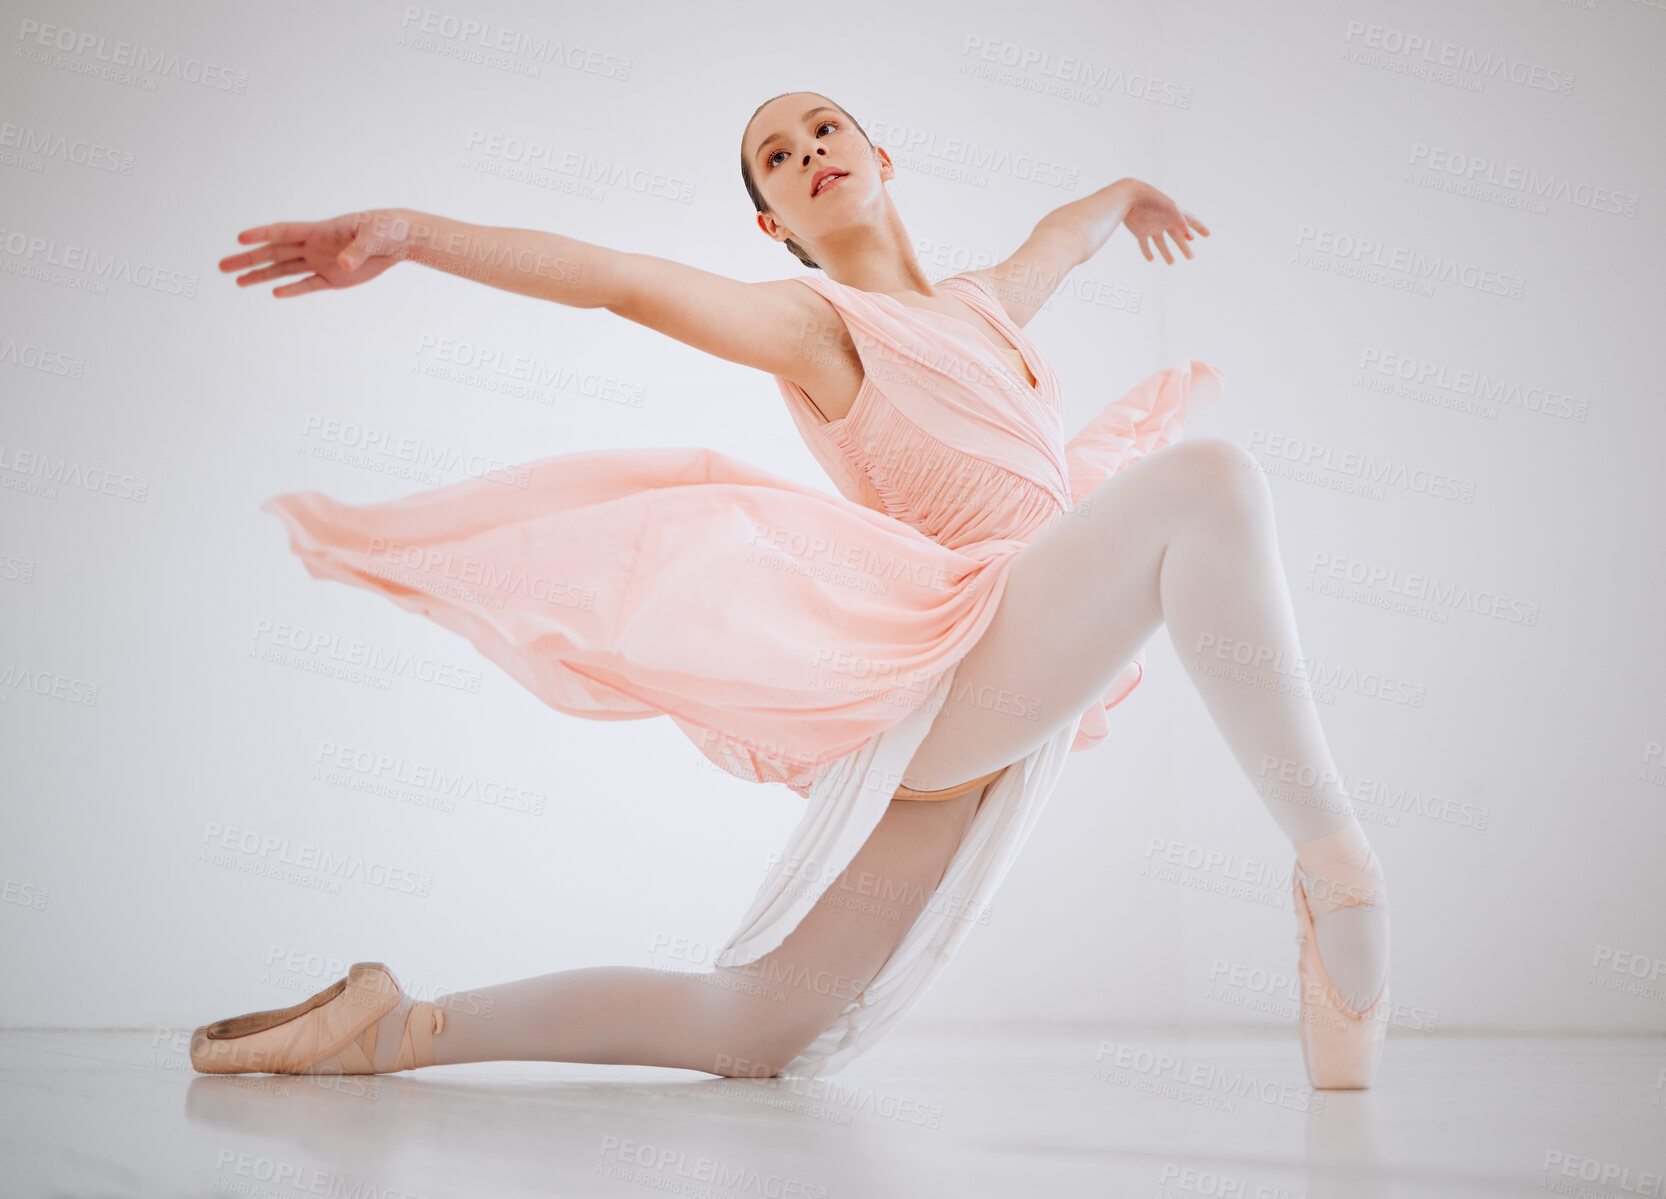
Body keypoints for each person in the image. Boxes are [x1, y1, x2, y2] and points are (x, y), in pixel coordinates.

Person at [193, 91, 1389, 1089]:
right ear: (769, 222)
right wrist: (413, 232)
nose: (810, 152)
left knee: (757, 1029)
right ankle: (1335, 863)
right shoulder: (818, 325)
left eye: (825, 131)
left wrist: (1127, 195)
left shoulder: (985, 300)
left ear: (879, 157)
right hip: (964, 649)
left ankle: (403, 1024)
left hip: (974, 716)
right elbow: (618, 277)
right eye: (779, 155)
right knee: (1209, 483)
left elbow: (1061, 234)